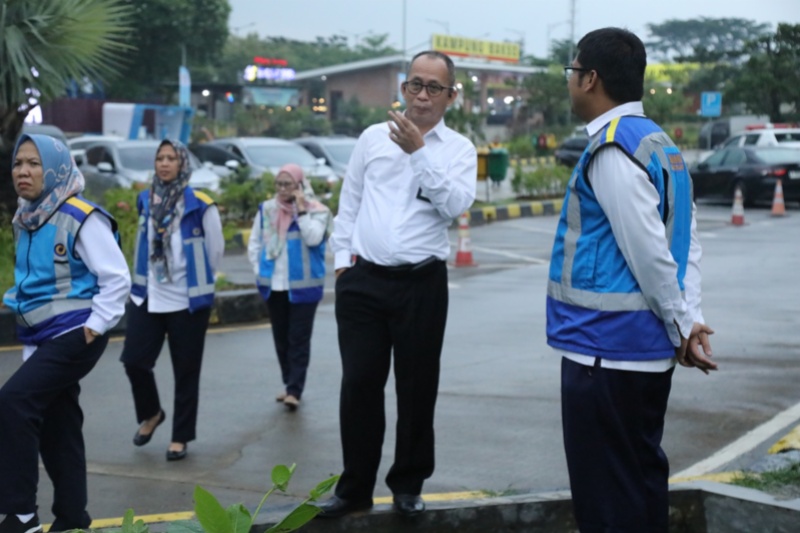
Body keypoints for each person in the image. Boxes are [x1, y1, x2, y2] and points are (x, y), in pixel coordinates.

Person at [546, 28, 717, 532]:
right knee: (639, 486)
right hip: (639, 353)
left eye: (572, 72)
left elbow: (649, 252)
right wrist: (689, 320)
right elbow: (687, 244)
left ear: (590, 78)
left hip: (605, 354)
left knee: (608, 501)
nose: (571, 82)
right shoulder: (660, 143)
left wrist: (686, 323)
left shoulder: (614, 148)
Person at [316, 50, 477, 519]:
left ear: (450, 96)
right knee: (360, 383)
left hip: (421, 284)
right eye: (415, 85)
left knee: (416, 386)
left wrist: (419, 154)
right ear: (403, 87)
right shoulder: (371, 138)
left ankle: (407, 484)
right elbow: (350, 203)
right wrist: (343, 265)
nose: (422, 96)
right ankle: (354, 488)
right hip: (363, 282)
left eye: (433, 88)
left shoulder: (459, 150)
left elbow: (453, 206)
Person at [0, 134, 130, 533]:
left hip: (75, 331)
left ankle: (19, 514)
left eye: (34, 164)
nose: (23, 171)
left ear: (55, 167)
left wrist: (94, 326)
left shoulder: (79, 215)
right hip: (41, 336)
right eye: (19, 163)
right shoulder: (27, 216)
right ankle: (74, 518)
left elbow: (117, 277)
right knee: (59, 426)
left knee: (13, 402)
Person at [120, 139, 223, 462]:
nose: (164, 163)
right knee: (134, 361)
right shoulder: (144, 200)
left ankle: (180, 437)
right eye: (159, 158)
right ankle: (152, 413)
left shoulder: (201, 205)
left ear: (182, 164)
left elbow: (214, 252)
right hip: (149, 295)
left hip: (188, 300)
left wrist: (197, 281)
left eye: (170, 158)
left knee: (186, 371)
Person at [247, 164, 333, 410]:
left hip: (304, 288)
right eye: (279, 184)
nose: (283, 190)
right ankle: (289, 384)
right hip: (274, 285)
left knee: (298, 339)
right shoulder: (267, 209)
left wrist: (302, 210)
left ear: (300, 186)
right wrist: (258, 270)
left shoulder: (318, 211)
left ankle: (295, 388)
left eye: (288, 184)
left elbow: (313, 238)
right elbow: (255, 243)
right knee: (281, 338)